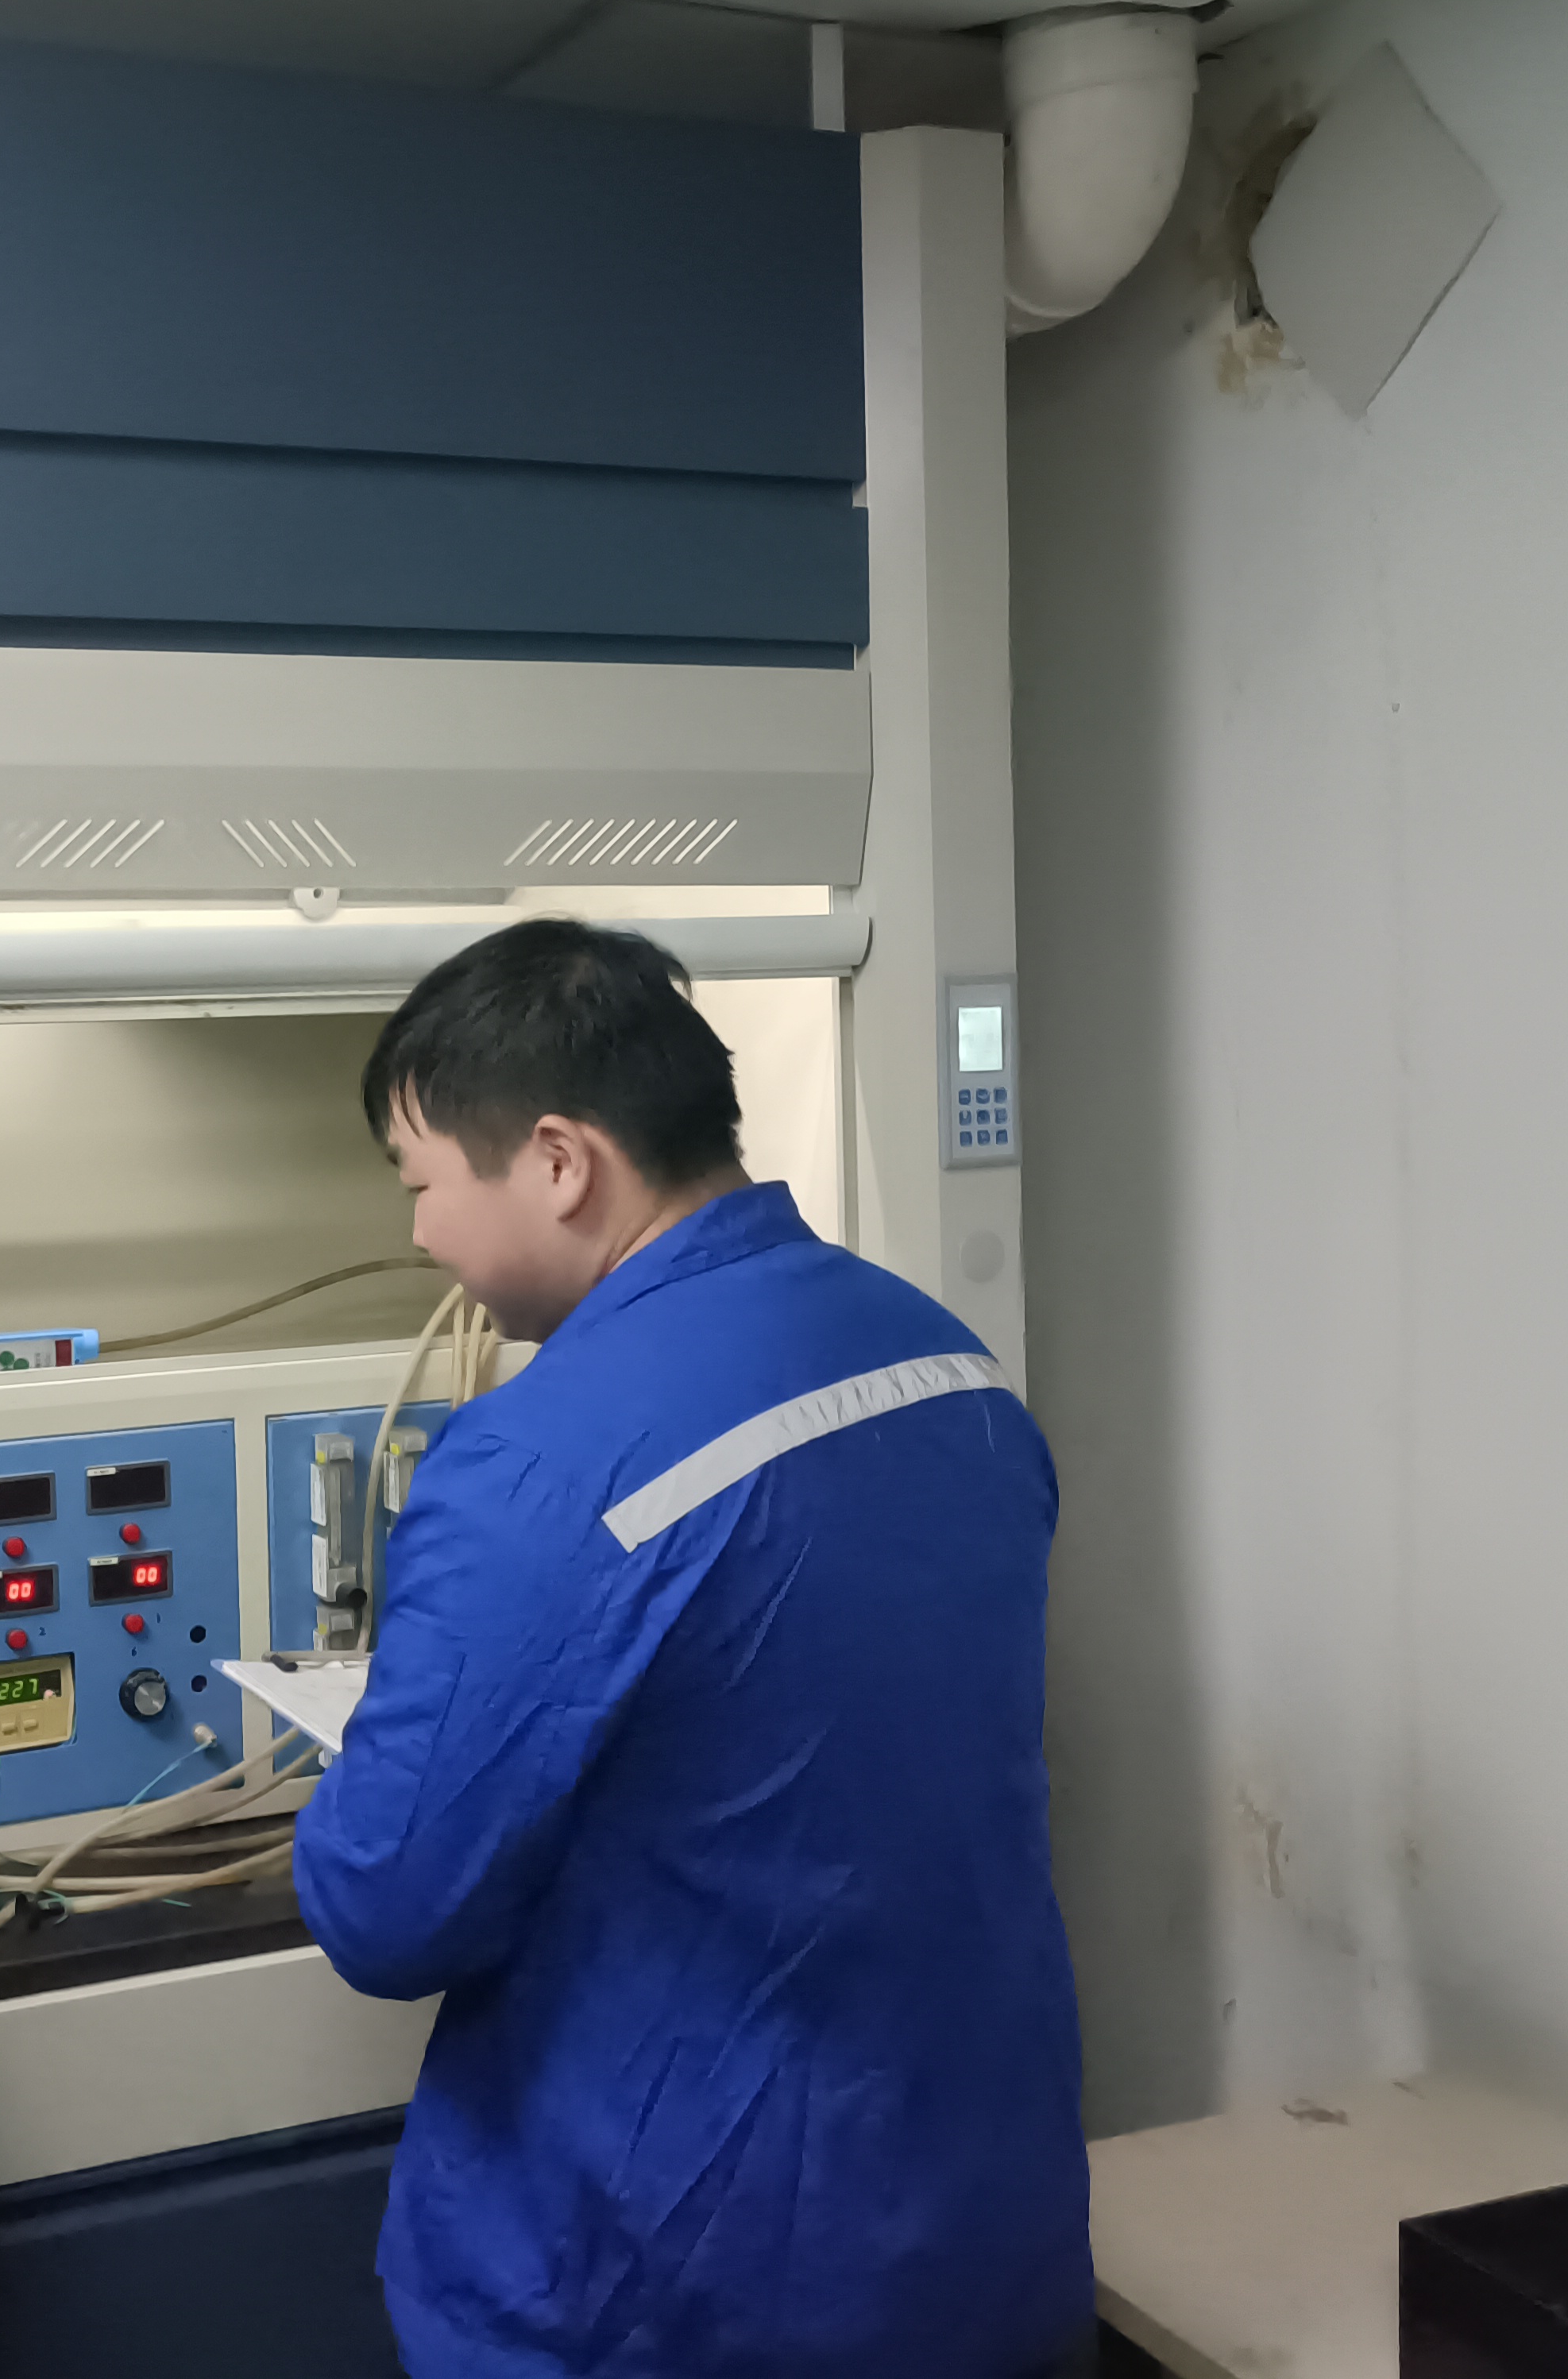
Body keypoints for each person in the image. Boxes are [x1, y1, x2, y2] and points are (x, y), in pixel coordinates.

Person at [294, 919, 1090, 2379]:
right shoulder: (949, 1364)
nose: (420, 1237)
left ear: (558, 1161)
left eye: (422, 1184)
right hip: (974, 2232)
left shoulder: (535, 1466)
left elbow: (387, 1909)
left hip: (671, 2288)